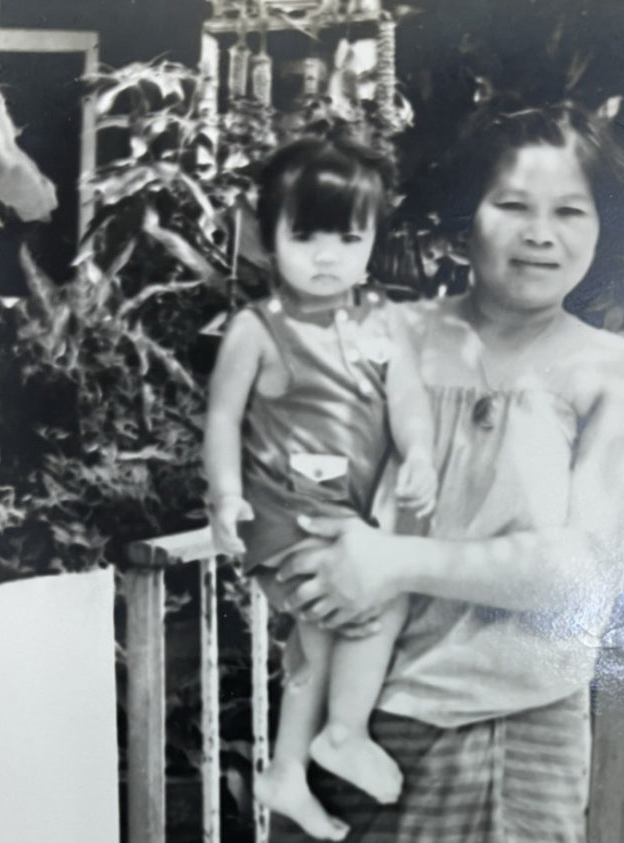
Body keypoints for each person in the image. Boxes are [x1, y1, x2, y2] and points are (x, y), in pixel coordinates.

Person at [269, 101, 624, 842]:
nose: (540, 235)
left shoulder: (621, 377)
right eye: (512, 205)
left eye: (569, 212)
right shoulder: (388, 336)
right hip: (340, 716)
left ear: (601, 226)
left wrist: (392, 561)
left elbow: (579, 573)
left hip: (500, 732)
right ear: (468, 215)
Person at [203, 136, 439, 842]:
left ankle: (285, 774)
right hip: (286, 514)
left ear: (372, 242)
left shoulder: (383, 322)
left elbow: (409, 401)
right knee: (374, 604)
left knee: (315, 649)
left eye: (348, 236)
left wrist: (420, 452)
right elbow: (221, 415)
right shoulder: (256, 328)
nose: (326, 254)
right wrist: (224, 495)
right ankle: (343, 731)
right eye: (305, 235)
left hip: (348, 514)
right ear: (268, 237)